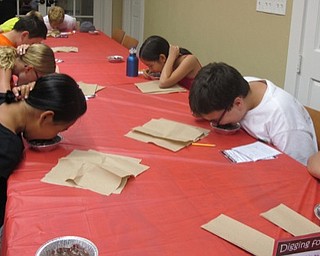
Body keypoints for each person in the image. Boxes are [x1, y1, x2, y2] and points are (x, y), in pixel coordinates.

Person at [0, 72, 87, 227]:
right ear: (46, 117)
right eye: (62, 129)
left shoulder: (5, 98)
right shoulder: (7, 148)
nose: (57, 135)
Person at [189, 62, 318, 166]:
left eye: (217, 121)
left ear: (238, 103)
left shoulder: (282, 118)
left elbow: (300, 168)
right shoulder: (240, 88)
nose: (214, 124)